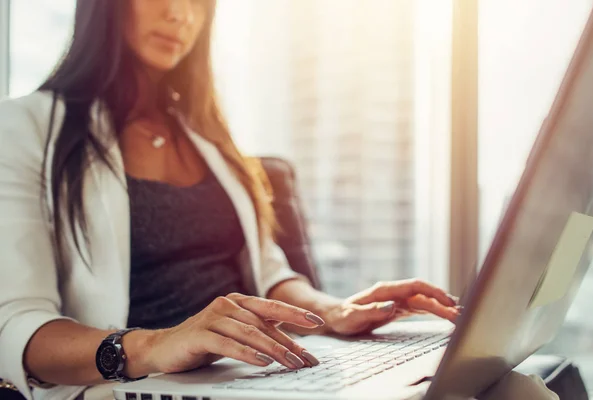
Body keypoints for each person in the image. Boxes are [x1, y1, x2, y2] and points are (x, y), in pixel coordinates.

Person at [0, 1, 554, 400]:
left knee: (499, 384)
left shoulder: (209, 139)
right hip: (139, 383)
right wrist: (154, 346)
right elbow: (19, 329)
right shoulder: (23, 128)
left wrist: (334, 310)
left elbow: (269, 274)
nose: (181, 15)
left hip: (253, 373)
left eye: (198, 2)